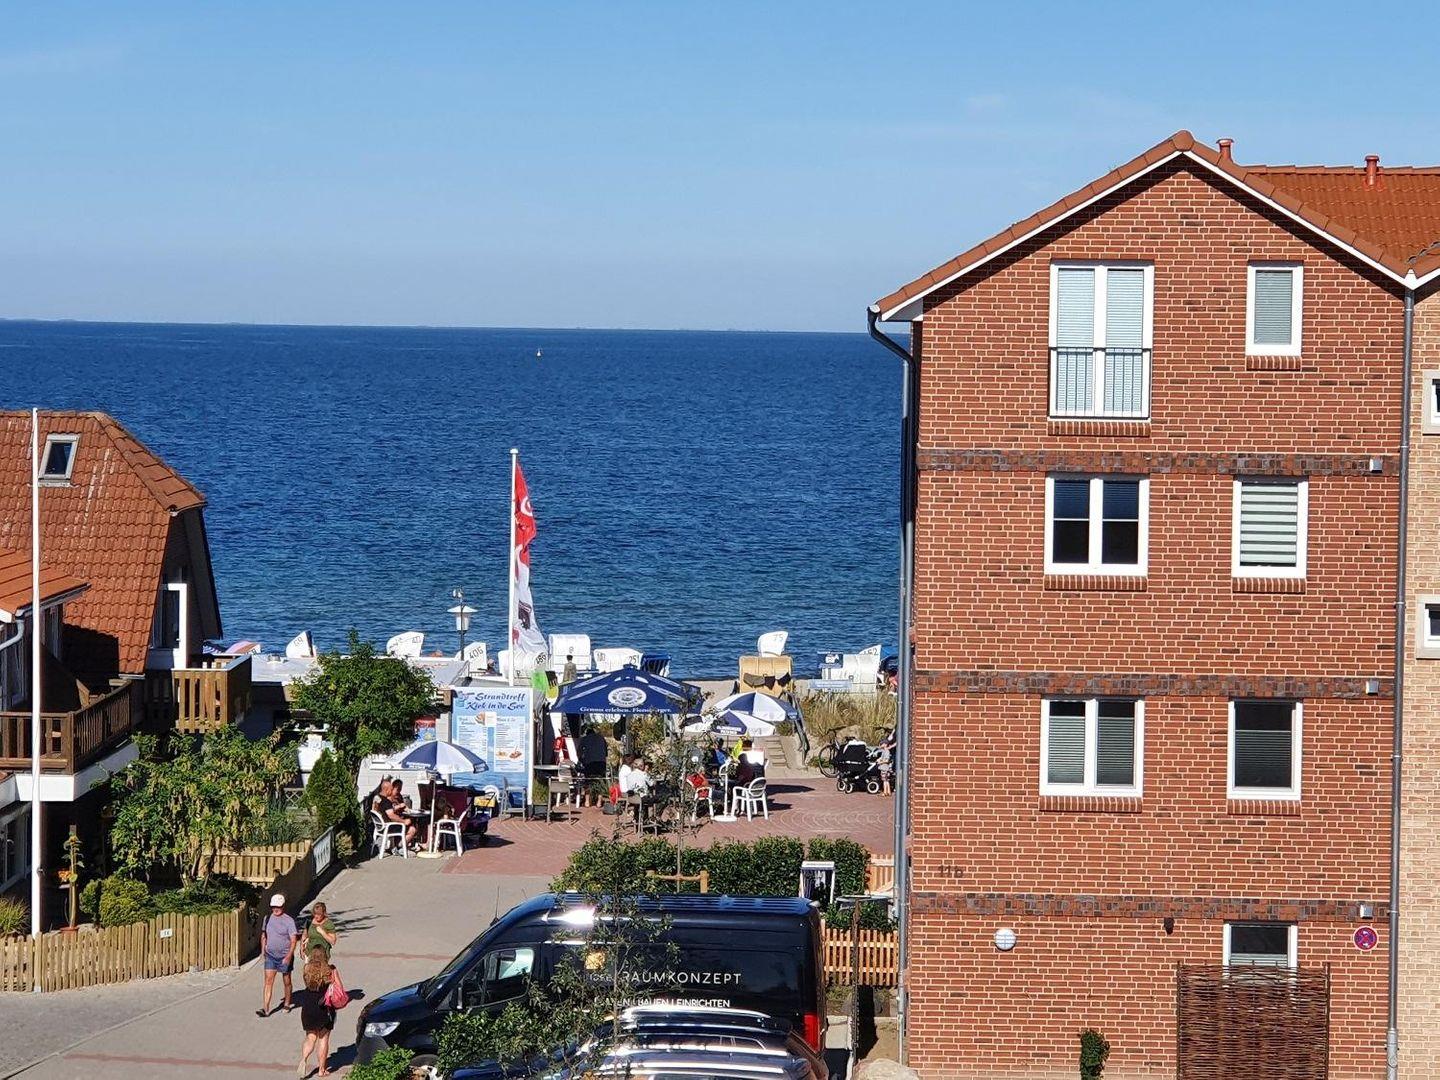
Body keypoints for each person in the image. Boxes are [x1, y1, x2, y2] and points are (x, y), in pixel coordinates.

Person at [258, 893, 300, 1017]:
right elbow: (264, 935)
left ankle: (287, 1003)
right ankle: (265, 1008)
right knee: (268, 981)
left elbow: (293, 940)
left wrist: (289, 956)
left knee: (286, 980)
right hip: (270, 956)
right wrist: (263, 951)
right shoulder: (267, 919)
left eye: (278, 907)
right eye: (273, 907)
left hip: (284, 956)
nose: (276, 909)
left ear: (283, 906)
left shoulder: (289, 921)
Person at [298, 948, 337, 1077]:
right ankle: (321, 1069)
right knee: (323, 1039)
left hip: (308, 1007)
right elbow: (335, 985)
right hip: (323, 1008)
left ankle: (303, 1060)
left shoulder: (306, 969)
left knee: (310, 1038)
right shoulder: (328, 971)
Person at [388, 779, 419, 847]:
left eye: (400, 788)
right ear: (393, 787)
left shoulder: (399, 796)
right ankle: (400, 846)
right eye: (398, 788)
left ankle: (402, 844)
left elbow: (403, 806)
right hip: (393, 822)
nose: (399, 790)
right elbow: (389, 811)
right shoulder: (388, 797)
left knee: (414, 824)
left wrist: (406, 809)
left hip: (400, 819)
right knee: (412, 829)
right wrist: (399, 806)